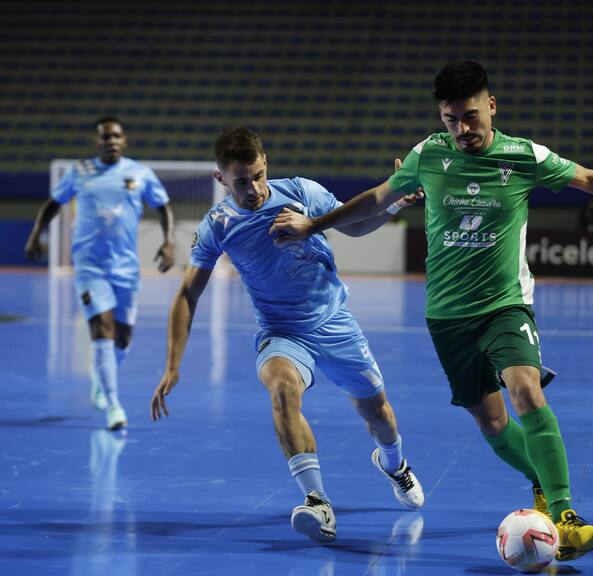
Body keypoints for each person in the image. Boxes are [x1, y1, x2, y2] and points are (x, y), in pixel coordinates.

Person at [270, 61, 593, 561]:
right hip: (447, 316)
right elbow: (374, 199)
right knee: (491, 423)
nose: (462, 129)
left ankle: (565, 516)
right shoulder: (428, 154)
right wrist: (313, 225)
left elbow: (589, 179)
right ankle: (541, 478)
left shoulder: (523, 155)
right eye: (451, 119)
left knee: (525, 389)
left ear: (491, 105)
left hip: (505, 306)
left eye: (470, 116)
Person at [149, 127, 424, 544]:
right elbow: (189, 292)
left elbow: (354, 227)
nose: (253, 188)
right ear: (221, 178)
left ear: (266, 165)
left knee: (378, 415)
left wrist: (393, 206)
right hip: (281, 332)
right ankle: (317, 501)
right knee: (281, 388)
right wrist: (172, 365)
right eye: (241, 180)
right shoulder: (218, 225)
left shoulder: (300, 192)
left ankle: (395, 464)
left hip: (334, 323)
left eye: (258, 175)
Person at [25, 117, 175, 431]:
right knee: (102, 333)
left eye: (116, 136)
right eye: (105, 137)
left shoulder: (139, 174)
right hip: (89, 266)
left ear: (125, 140)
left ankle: (100, 376)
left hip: (126, 268)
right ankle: (113, 406)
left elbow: (163, 207)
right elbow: (53, 203)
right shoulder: (78, 173)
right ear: (97, 142)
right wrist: (36, 233)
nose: (111, 141)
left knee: (123, 339)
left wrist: (169, 241)